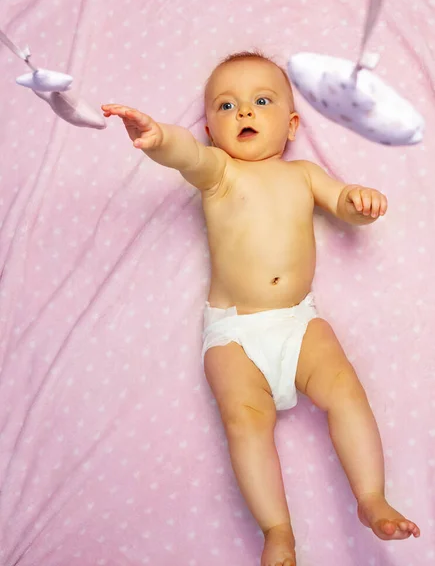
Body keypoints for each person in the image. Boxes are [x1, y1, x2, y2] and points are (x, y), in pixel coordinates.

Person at [101, 50, 420, 566]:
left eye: (261, 101)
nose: (244, 113)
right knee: (246, 424)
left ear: (291, 124)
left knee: (346, 390)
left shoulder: (304, 174)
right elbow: (188, 156)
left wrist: (358, 203)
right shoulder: (220, 172)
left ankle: (371, 497)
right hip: (235, 335)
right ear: (210, 128)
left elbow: (340, 204)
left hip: (299, 320)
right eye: (226, 107)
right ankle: (278, 531)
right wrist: (159, 138)